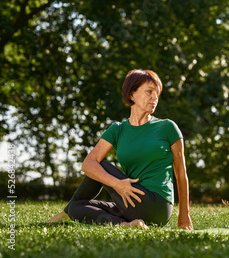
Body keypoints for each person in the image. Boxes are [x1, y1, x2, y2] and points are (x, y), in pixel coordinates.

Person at [48, 69, 193, 230]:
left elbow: (181, 173)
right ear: (131, 95)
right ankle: (127, 225)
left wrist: (184, 215)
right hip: (130, 201)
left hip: (157, 204)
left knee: (100, 164)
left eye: (157, 93)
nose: (155, 97)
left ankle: (64, 214)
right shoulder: (118, 129)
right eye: (149, 91)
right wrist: (118, 184)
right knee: (76, 206)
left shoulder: (167, 127)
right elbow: (87, 164)